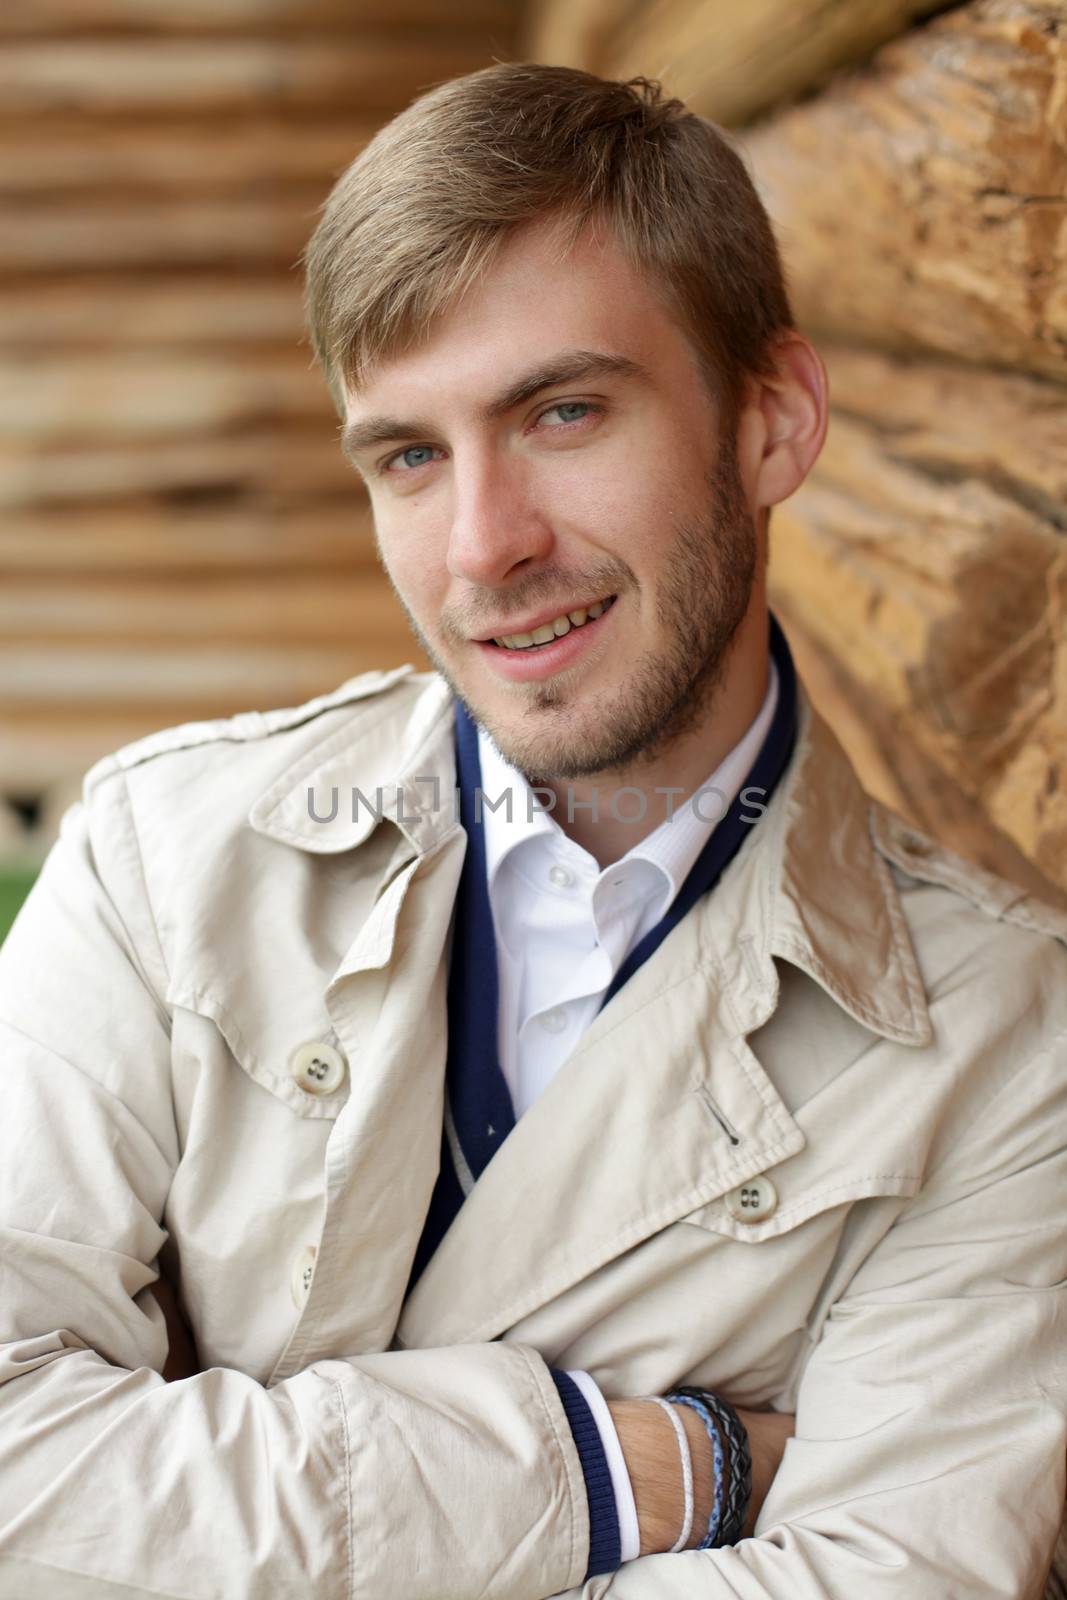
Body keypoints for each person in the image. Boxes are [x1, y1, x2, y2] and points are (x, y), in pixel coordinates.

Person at [0, 60, 1065, 1600]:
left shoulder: (1004, 1039)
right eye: (410, 457)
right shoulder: (164, 858)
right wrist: (628, 1475)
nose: (484, 548)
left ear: (773, 420)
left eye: (563, 413)